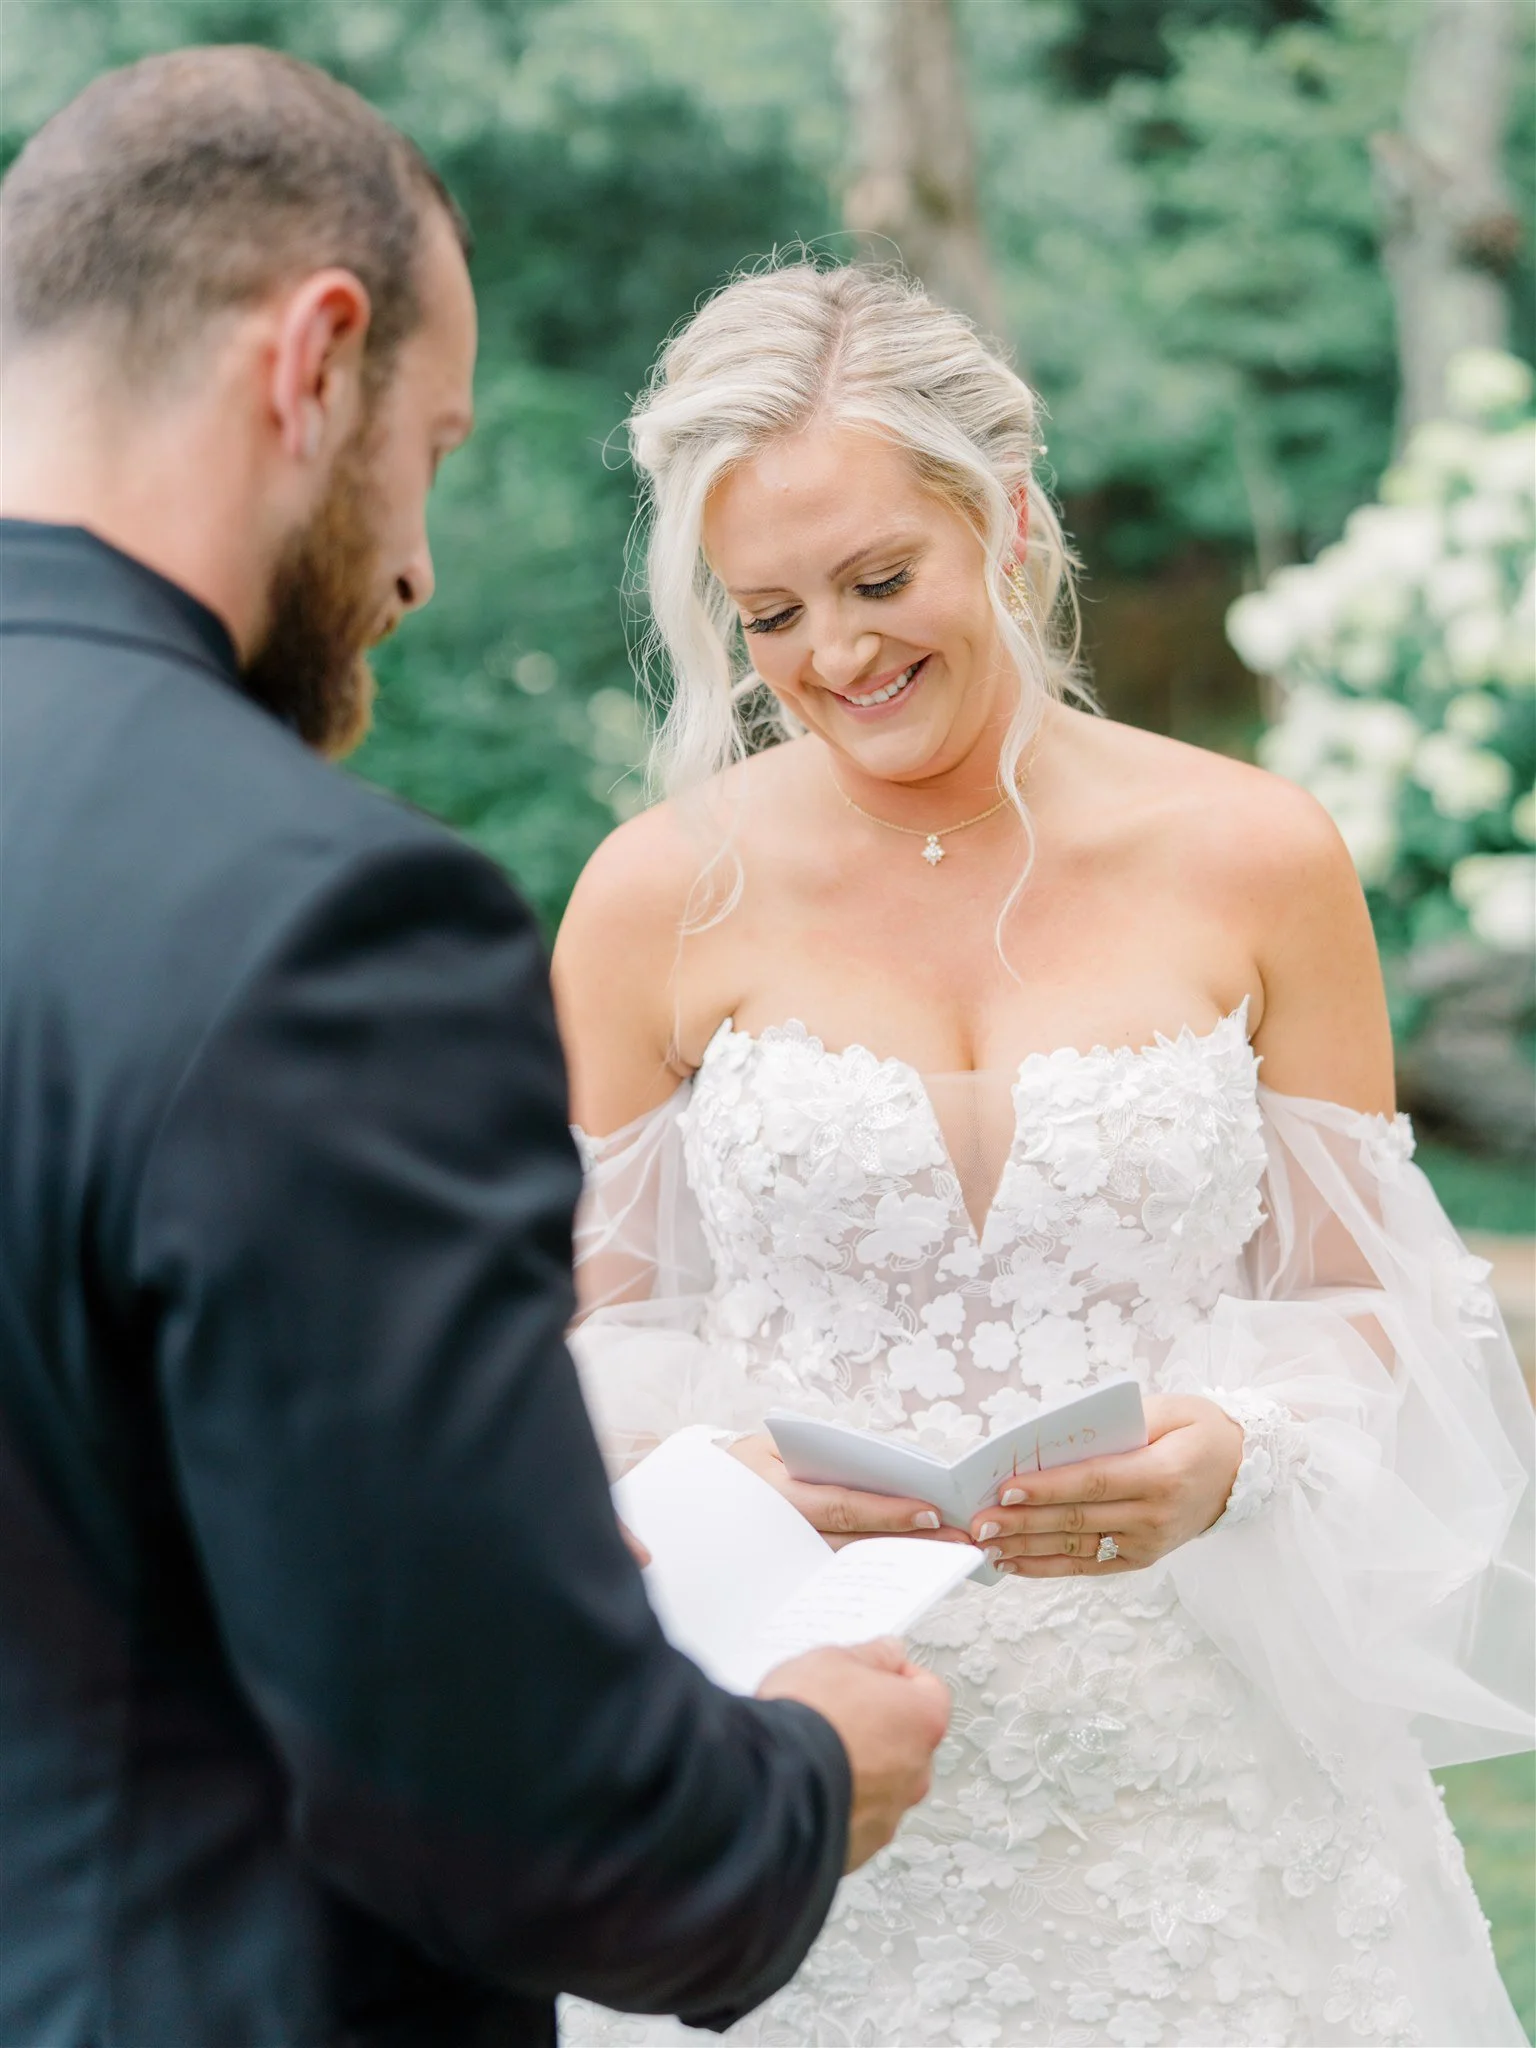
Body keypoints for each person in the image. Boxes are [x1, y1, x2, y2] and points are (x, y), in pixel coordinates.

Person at [0, 55, 953, 2048]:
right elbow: (522, 1808)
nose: (418, 563)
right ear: (315, 360)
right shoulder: (310, 921)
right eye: (429, 443)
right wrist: (794, 1780)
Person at [552, 261, 1536, 2046]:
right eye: (768, 612)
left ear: (1006, 516)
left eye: (877, 579)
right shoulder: (649, 901)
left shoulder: (1256, 855)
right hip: (809, 1764)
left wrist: (1238, 1453)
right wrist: (715, 1482)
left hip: (1210, 1787)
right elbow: (579, 1348)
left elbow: (1367, 1299)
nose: (835, 657)